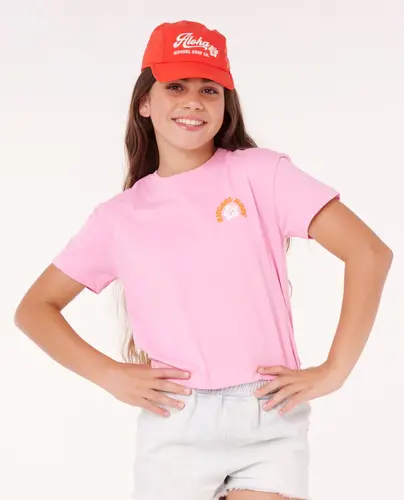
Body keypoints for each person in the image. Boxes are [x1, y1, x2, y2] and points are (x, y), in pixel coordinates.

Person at [14, 19, 393, 500]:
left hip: (268, 414)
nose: (193, 101)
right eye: (176, 86)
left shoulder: (261, 174)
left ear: (225, 104)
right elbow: (34, 309)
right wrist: (109, 374)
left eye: (209, 89)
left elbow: (369, 252)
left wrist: (335, 370)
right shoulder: (119, 217)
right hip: (175, 425)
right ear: (145, 103)